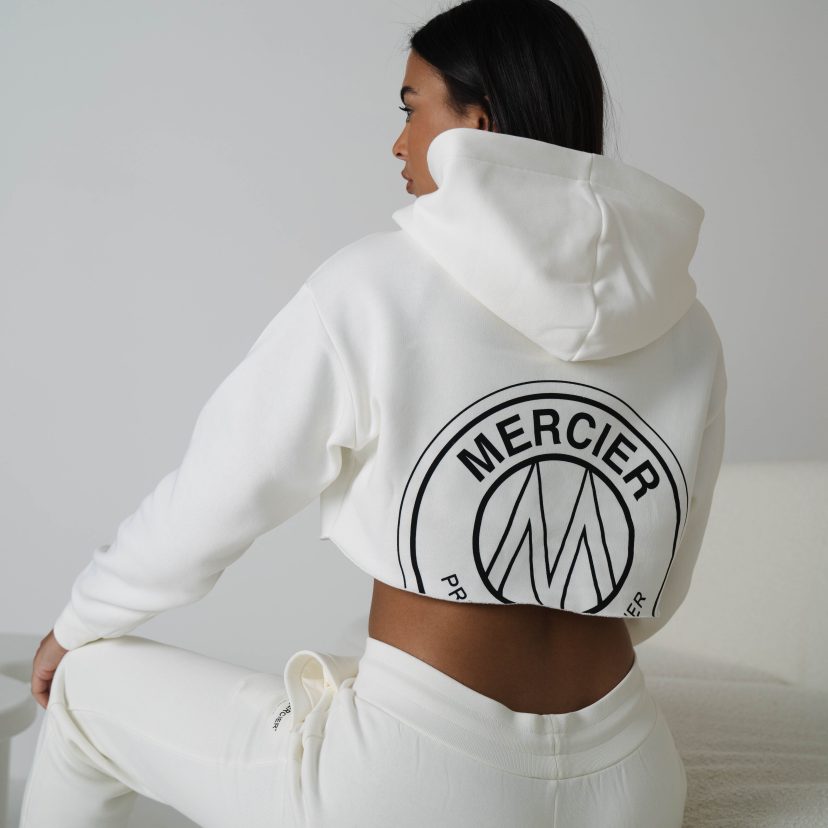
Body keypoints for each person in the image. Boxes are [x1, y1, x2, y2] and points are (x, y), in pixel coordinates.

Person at [21, 0, 726, 826]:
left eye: (411, 107)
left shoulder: (375, 287)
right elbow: (655, 587)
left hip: (417, 778)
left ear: (477, 124)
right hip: (633, 778)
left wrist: (77, 624)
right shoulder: (689, 326)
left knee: (84, 689)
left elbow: (210, 504)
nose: (398, 142)